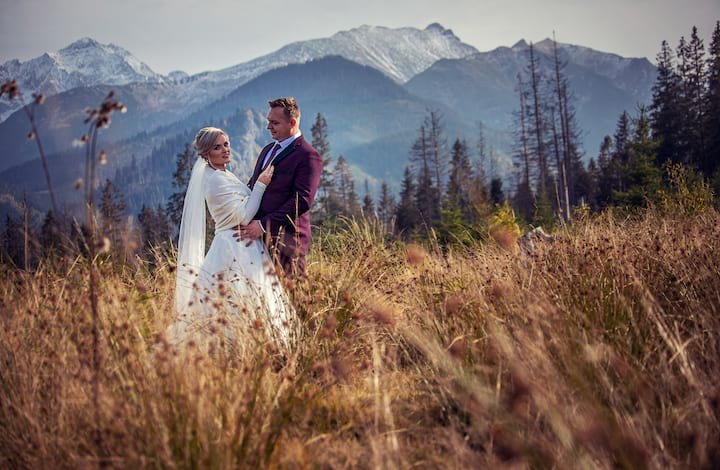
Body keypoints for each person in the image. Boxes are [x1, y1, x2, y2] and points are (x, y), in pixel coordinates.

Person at [173, 127, 294, 348]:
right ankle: (243, 349)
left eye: (226, 144)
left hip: (240, 243)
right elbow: (244, 215)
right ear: (206, 154)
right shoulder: (215, 179)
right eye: (217, 147)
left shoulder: (223, 174)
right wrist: (261, 184)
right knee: (240, 300)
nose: (225, 150)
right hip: (235, 246)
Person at [237, 97, 322, 279]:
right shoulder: (267, 150)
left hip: (287, 241)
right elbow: (253, 186)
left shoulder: (308, 155)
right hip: (256, 240)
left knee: (293, 293)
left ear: (292, 123)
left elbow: (302, 201)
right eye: (268, 121)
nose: (269, 127)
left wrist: (263, 225)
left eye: (275, 123)